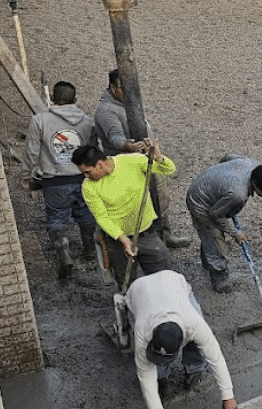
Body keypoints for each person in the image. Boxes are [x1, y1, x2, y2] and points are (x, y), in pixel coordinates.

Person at [126, 269, 238, 409]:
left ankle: (194, 369)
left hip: (173, 281)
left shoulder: (194, 323)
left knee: (198, 344)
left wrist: (228, 396)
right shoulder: (142, 331)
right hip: (138, 290)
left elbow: (215, 357)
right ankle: (162, 378)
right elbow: (145, 377)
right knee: (153, 371)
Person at [94, 68, 191, 249]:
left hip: (147, 159)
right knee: (141, 203)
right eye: (124, 88)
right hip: (128, 166)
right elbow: (115, 138)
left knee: (161, 197)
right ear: (113, 88)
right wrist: (128, 146)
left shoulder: (127, 101)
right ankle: (147, 240)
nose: (131, 93)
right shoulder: (107, 111)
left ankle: (165, 235)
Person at [73, 140, 178, 289]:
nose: (85, 176)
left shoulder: (132, 161)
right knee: (126, 283)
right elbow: (102, 217)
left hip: (147, 233)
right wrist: (124, 241)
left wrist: (159, 158)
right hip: (118, 241)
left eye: (87, 171)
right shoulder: (88, 187)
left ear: (99, 164)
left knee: (162, 277)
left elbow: (169, 170)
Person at [23, 80, 98, 280]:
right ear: (75, 99)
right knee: (86, 214)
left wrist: (30, 175)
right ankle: (90, 252)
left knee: (56, 219)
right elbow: (92, 150)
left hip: (54, 180)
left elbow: (31, 151)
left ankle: (64, 253)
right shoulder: (87, 122)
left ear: (52, 98)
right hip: (82, 178)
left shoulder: (39, 120)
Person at [185, 156, 262, 292]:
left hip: (206, 186)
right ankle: (219, 279)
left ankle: (207, 262)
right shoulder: (238, 194)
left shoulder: (251, 164)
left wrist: (223, 180)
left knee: (210, 237)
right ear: (255, 184)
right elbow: (215, 214)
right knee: (215, 240)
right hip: (201, 202)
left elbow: (227, 157)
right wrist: (235, 234)